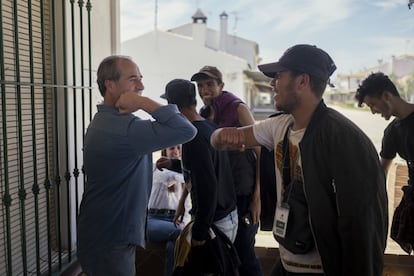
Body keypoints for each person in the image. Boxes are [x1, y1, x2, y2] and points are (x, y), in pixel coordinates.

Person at [210, 44, 388, 276]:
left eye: (279, 76)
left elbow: (365, 220)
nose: (272, 83)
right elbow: (219, 140)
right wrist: (222, 135)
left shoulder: (344, 138)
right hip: (287, 261)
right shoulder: (279, 126)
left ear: (302, 81)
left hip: (323, 267)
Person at [76, 55, 197, 276]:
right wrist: (142, 102)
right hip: (111, 239)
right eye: (133, 79)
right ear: (109, 85)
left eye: (141, 78)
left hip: (104, 233)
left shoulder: (105, 121)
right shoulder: (125, 129)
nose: (141, 86)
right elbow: (186, 130)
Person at [190, 66, 263, 276]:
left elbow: (261, 151)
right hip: (222, 199)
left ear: (221, 85)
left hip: (243, 194)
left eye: (210, 84)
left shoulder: (238, 108)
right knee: (224, 256)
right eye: (200, 86)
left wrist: (257, 197)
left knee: (245, 254)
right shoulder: (204, 114)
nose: (205, 90)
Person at [162, 79, 239, 274]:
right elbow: (205, 170)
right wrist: (173, 164)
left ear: (172, 107)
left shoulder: (193, 137)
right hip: (226, 216)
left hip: (214, 223)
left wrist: (200, 231)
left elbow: (207, 186)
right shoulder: (208, 128)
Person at [355, 72, 414, 253]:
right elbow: (382, 171)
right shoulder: (392, 132)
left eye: (373, 104)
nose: (373, 111)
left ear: (387, 96)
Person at [147, 145, 189, 276]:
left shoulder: (184, 175)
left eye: (178, 148)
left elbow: (186, 209)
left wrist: (185, 222)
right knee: (180, 234)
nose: (175, 152)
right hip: (153, 219)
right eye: (172, 148)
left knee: (174, 244)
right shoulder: (157, 169)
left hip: (174, 221)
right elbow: (170, 176)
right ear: (165, 151)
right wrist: (191, 174)